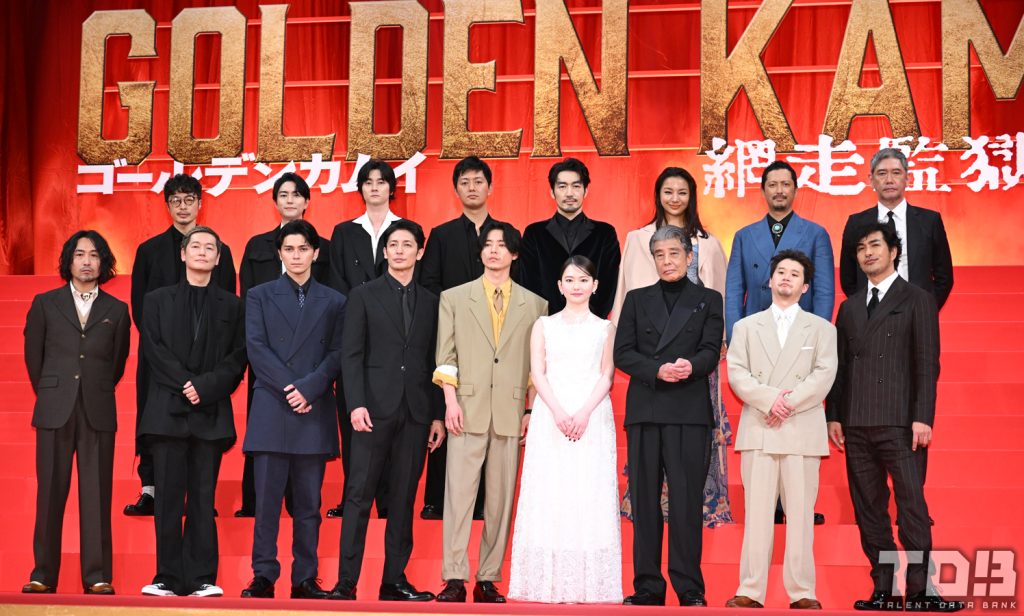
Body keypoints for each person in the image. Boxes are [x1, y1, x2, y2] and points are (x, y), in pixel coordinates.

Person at [827, 222, 962, 613]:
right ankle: (883, 590)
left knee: (911, 509)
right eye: (860, 248)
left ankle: (920, 592)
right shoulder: (849, 307)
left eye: (875, 245)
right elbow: (840, 368)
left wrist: (923, 417)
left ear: (893, 252)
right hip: (856, 423)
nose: (867, 253)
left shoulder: (917, 298)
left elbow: (926, 362)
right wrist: (834, 416)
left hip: (902, 423)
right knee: (869, 510)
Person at [611, 166, 733, 528]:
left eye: (682, 191)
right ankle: (648, 506)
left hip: (694, 356)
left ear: (691, 196)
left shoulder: (709, 242)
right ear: (658, 195)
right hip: (649, 354)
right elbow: (624, 291)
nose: (675, 198)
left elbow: (720, 292)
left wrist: (714, 345)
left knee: (692, 445)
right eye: (668, 191)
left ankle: (701, 505)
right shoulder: (637, 238)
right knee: (649, 454)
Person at [433, 221, 547, 604]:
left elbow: (536, 366)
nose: (494, 250)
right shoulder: (453, 298)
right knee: (458, 498)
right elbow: (445, 355)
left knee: (500, 501)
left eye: (502, 245)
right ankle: (453, 576)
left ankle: (488, 577)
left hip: (511, 411)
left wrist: (530, 408)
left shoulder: (536, 305)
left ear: (514, 253)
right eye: (488, 244)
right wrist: (450, 401)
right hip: (465, 409)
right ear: (480, 252)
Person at [329, 220, 444, 602]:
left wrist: (437, 414)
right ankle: (346, 582)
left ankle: (394, 581)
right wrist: (356, 403)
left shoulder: (432, 302)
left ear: (420, 251)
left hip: (415, 412)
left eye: (407, 244)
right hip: (371, 411)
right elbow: (351, 354)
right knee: (358, 496)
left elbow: (436, 361)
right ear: (384, 251)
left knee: (403, 498)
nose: (399, 251)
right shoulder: (363, 295)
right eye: (393, 244)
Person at [614, 225, 724, 607]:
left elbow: (711, 350)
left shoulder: (708, 299)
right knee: (644, 502)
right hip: (646, 409)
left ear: (689, 257)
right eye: (659, 255)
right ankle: (647, 586)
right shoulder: (636, 299)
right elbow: (622, 353)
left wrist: (690, 367)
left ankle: (689, 588)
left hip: (688, 411)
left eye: (674, 253)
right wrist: (656, 370)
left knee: (686, 502)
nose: (667, 261)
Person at [137, 226, 247, 598]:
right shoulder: (156, 300)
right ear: (183, 254)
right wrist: (186, 383)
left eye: (209, 248)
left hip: (210, 414)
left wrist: (206, 386)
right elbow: (153, 350)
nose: (202, 252)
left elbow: (238, 357)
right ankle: (167, 577)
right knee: (167, 500)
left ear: (218, 259)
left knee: (203, 499)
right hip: (167, 413)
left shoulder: (233, 305)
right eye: (195, 246)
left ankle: (202, 577)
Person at [724, 249, 837, 610]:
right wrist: (771, 400)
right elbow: (737, 373)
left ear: (805, 287)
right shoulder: (745, 327)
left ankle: (802, 591)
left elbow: (824, 375)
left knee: (801, 516)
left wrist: (787, 404)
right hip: (760, 427)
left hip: (801, 429)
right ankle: (750, 589)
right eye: (781, 272)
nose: (786, 277)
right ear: (770, 281)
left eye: (795, 274)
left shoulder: (822, 329)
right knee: (757, 515)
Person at [241, 220, 346, 600]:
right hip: (273, 405)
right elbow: (256, 348)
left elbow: (338, 352)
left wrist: (310, 388)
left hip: (313, 407)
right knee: (266, 503)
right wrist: (292, 389)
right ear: (279, 254)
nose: (296, 256)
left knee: (309, 505)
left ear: (316, 253)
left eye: (303, 249)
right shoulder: (258, 295)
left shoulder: (335, 301)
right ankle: (263, 574)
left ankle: (305, 577)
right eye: (289, 249)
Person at [725, 159, 833, 525]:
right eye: (772, 184)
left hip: (799, 337)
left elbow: (823, 291)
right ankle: (767, 500)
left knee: (794, 410)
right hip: (758, 337)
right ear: (763, 190)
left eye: (786, 184)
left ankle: (796, 501)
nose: (779, 190)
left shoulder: (815, 233)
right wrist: (734, 337)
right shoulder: (744, 235)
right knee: (764, 410)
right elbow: (734, 290)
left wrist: (818, 335)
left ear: (795, 189)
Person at [22, 231, 130, 595]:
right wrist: (54, 391)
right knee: (50, 493)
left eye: (94, 255)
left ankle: (97, 575)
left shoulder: (117, 310)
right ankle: (42, 574)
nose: (87, 261)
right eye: (80, 254)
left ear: (104, 263)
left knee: (97, 494)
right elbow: (34, 357)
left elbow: (117, 363)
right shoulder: (45, 303)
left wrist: (92, 386)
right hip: (55, 408)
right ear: (68, 260)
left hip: (97, 409)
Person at [508, 256, 621, 604]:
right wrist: (557, 411)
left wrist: (584, 412)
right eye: (570, 280)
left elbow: (607, 374)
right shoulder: (544, 325)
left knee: (588, 492)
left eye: (583, 280)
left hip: (592, 415)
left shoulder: (605, 328)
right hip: (550, 414)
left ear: (595, 286)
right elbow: (537, 372)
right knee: (551, 491)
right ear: (559, 286)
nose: (576, 286)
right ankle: (548, 581)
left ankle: (587, 584)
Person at [126, 174, 236, 516]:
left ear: (200, 204)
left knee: (202, 425)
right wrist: (168, 362)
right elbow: (140, 309)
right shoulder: (149, 250)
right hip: (159, 359)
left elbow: (228, 308)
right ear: (167, 205)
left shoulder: (219, 251)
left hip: (206, 361)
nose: (183, 206)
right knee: (153, 416)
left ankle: (198, 496)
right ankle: (150, 489)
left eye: (189, 200)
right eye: (176, 200)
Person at [235, 172, 330, 518]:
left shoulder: (324, 247)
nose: (290, 200)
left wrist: (309, 383)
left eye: (296, 194)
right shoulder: (257, 245)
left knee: (305, 436)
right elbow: (246, 298)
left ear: (307, 201)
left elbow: (331, 301)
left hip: (310, 361)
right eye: (283, 194)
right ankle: (254, 501)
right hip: (267, 361)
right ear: (274, 201)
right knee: (264, 428)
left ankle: (297, 502)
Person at [418, 156, 497, 521]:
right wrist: (456, 318)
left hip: (494, 340)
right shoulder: (441, 235)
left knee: (485, 419)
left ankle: (482, 502)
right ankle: (437, 499)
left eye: (478, 181)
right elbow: (429, 284)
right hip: (451, 337)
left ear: (489, 187)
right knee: (445, 413)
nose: (472, 188)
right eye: (464, 182)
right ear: (456, 189)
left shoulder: (504, 234)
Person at [326, 159, 401, 519]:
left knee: (390, 421)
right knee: (353, 420)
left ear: (391, 188)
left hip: (394, 340)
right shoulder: (344, 232)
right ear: (360, 189)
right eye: (368, 182)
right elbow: (336, 282)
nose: (374, 187)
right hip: (353, 336)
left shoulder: (405, 230)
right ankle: (353, 498)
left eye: (381, 181)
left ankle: (386, 500)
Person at [839, 148, 954, 310]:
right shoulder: (856, 223)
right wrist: (864, 310)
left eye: (896, 173)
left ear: (907, 178)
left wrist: (927, 309)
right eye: (882, 173)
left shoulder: (929, 221)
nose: (889, 180)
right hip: (871, 314)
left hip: (917, 311)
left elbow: (944, 277)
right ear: (871, 180)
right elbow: (848, 278)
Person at [520, 157, 620, 317]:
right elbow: (528, 283)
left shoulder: (605, 233)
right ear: (552, 192)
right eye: (562, 186)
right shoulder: (534, 233)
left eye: (576, 186)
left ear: (585, 191)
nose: (569, 193)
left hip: (592, 323)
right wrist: (549, 320)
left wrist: (589, 318)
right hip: (546, 322)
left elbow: (609, 284)